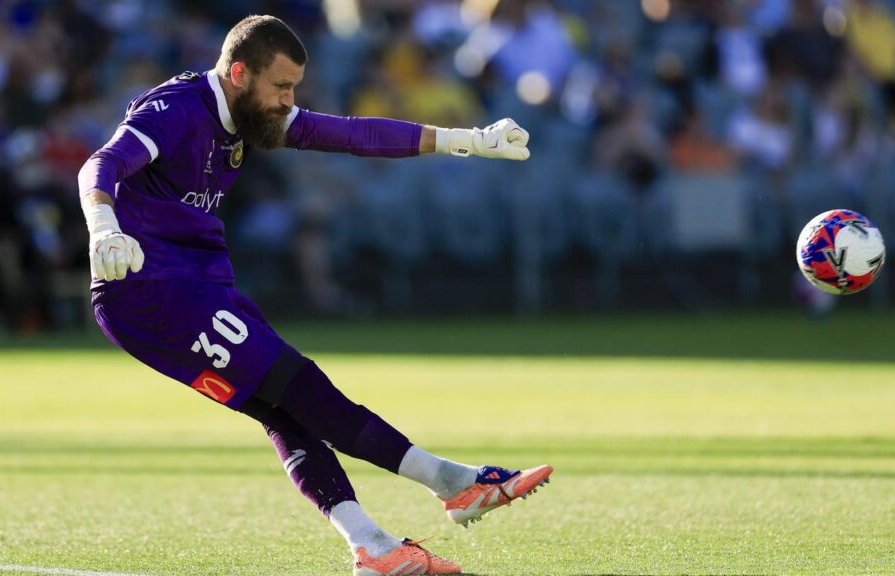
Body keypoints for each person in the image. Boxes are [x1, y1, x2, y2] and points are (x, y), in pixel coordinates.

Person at [77, 15, 551, 576]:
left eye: (294, 87)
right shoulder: (176, 108)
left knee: (284, 410)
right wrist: (104, 227)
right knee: (297, 384)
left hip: (195, 280)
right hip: (148, 288)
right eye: (281, 87)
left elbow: (353, 134)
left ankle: (372, 547)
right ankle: (452, 482)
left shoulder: (248, 109)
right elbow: (100, 163)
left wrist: (466, 141)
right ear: (237, 74)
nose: (288, 100)